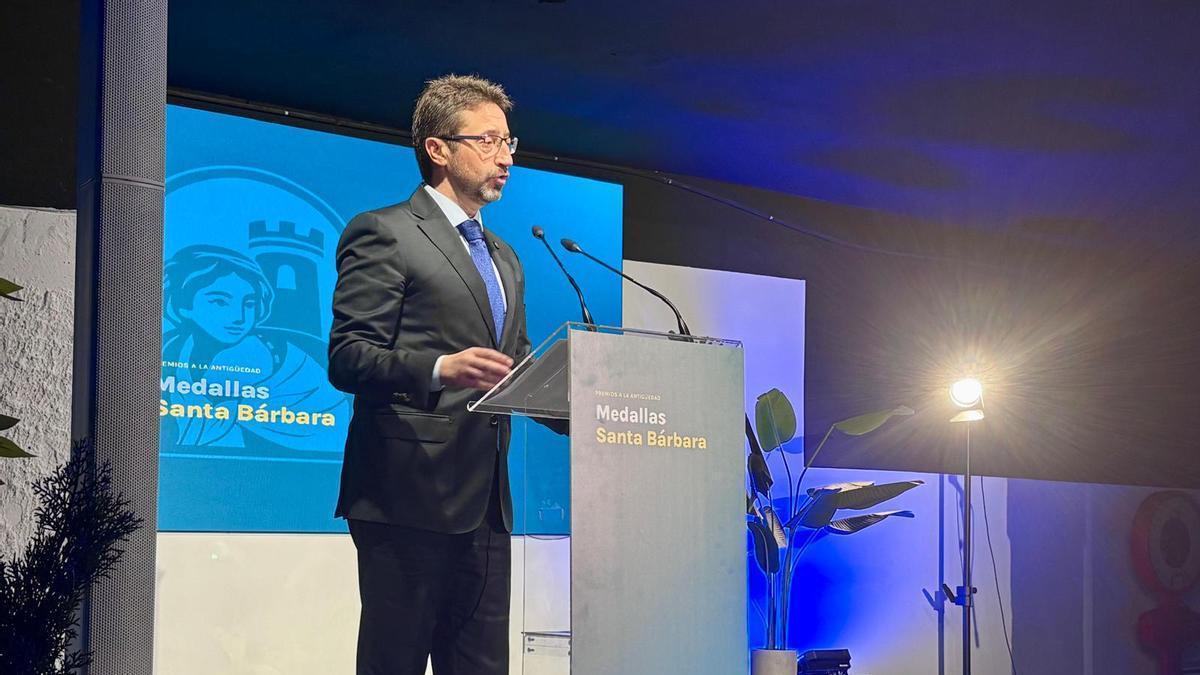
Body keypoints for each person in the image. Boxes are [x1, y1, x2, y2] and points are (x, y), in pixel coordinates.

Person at [328, 74, 532, 675]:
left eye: (508, 142)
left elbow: (514, 366)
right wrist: (442, 369)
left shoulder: (505, 256)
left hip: (486, 503)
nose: (505, 158)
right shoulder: (385, 232)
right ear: (438, 148)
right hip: (406, 495)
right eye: (488, 141)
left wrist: (589, 408)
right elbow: (349, 355)